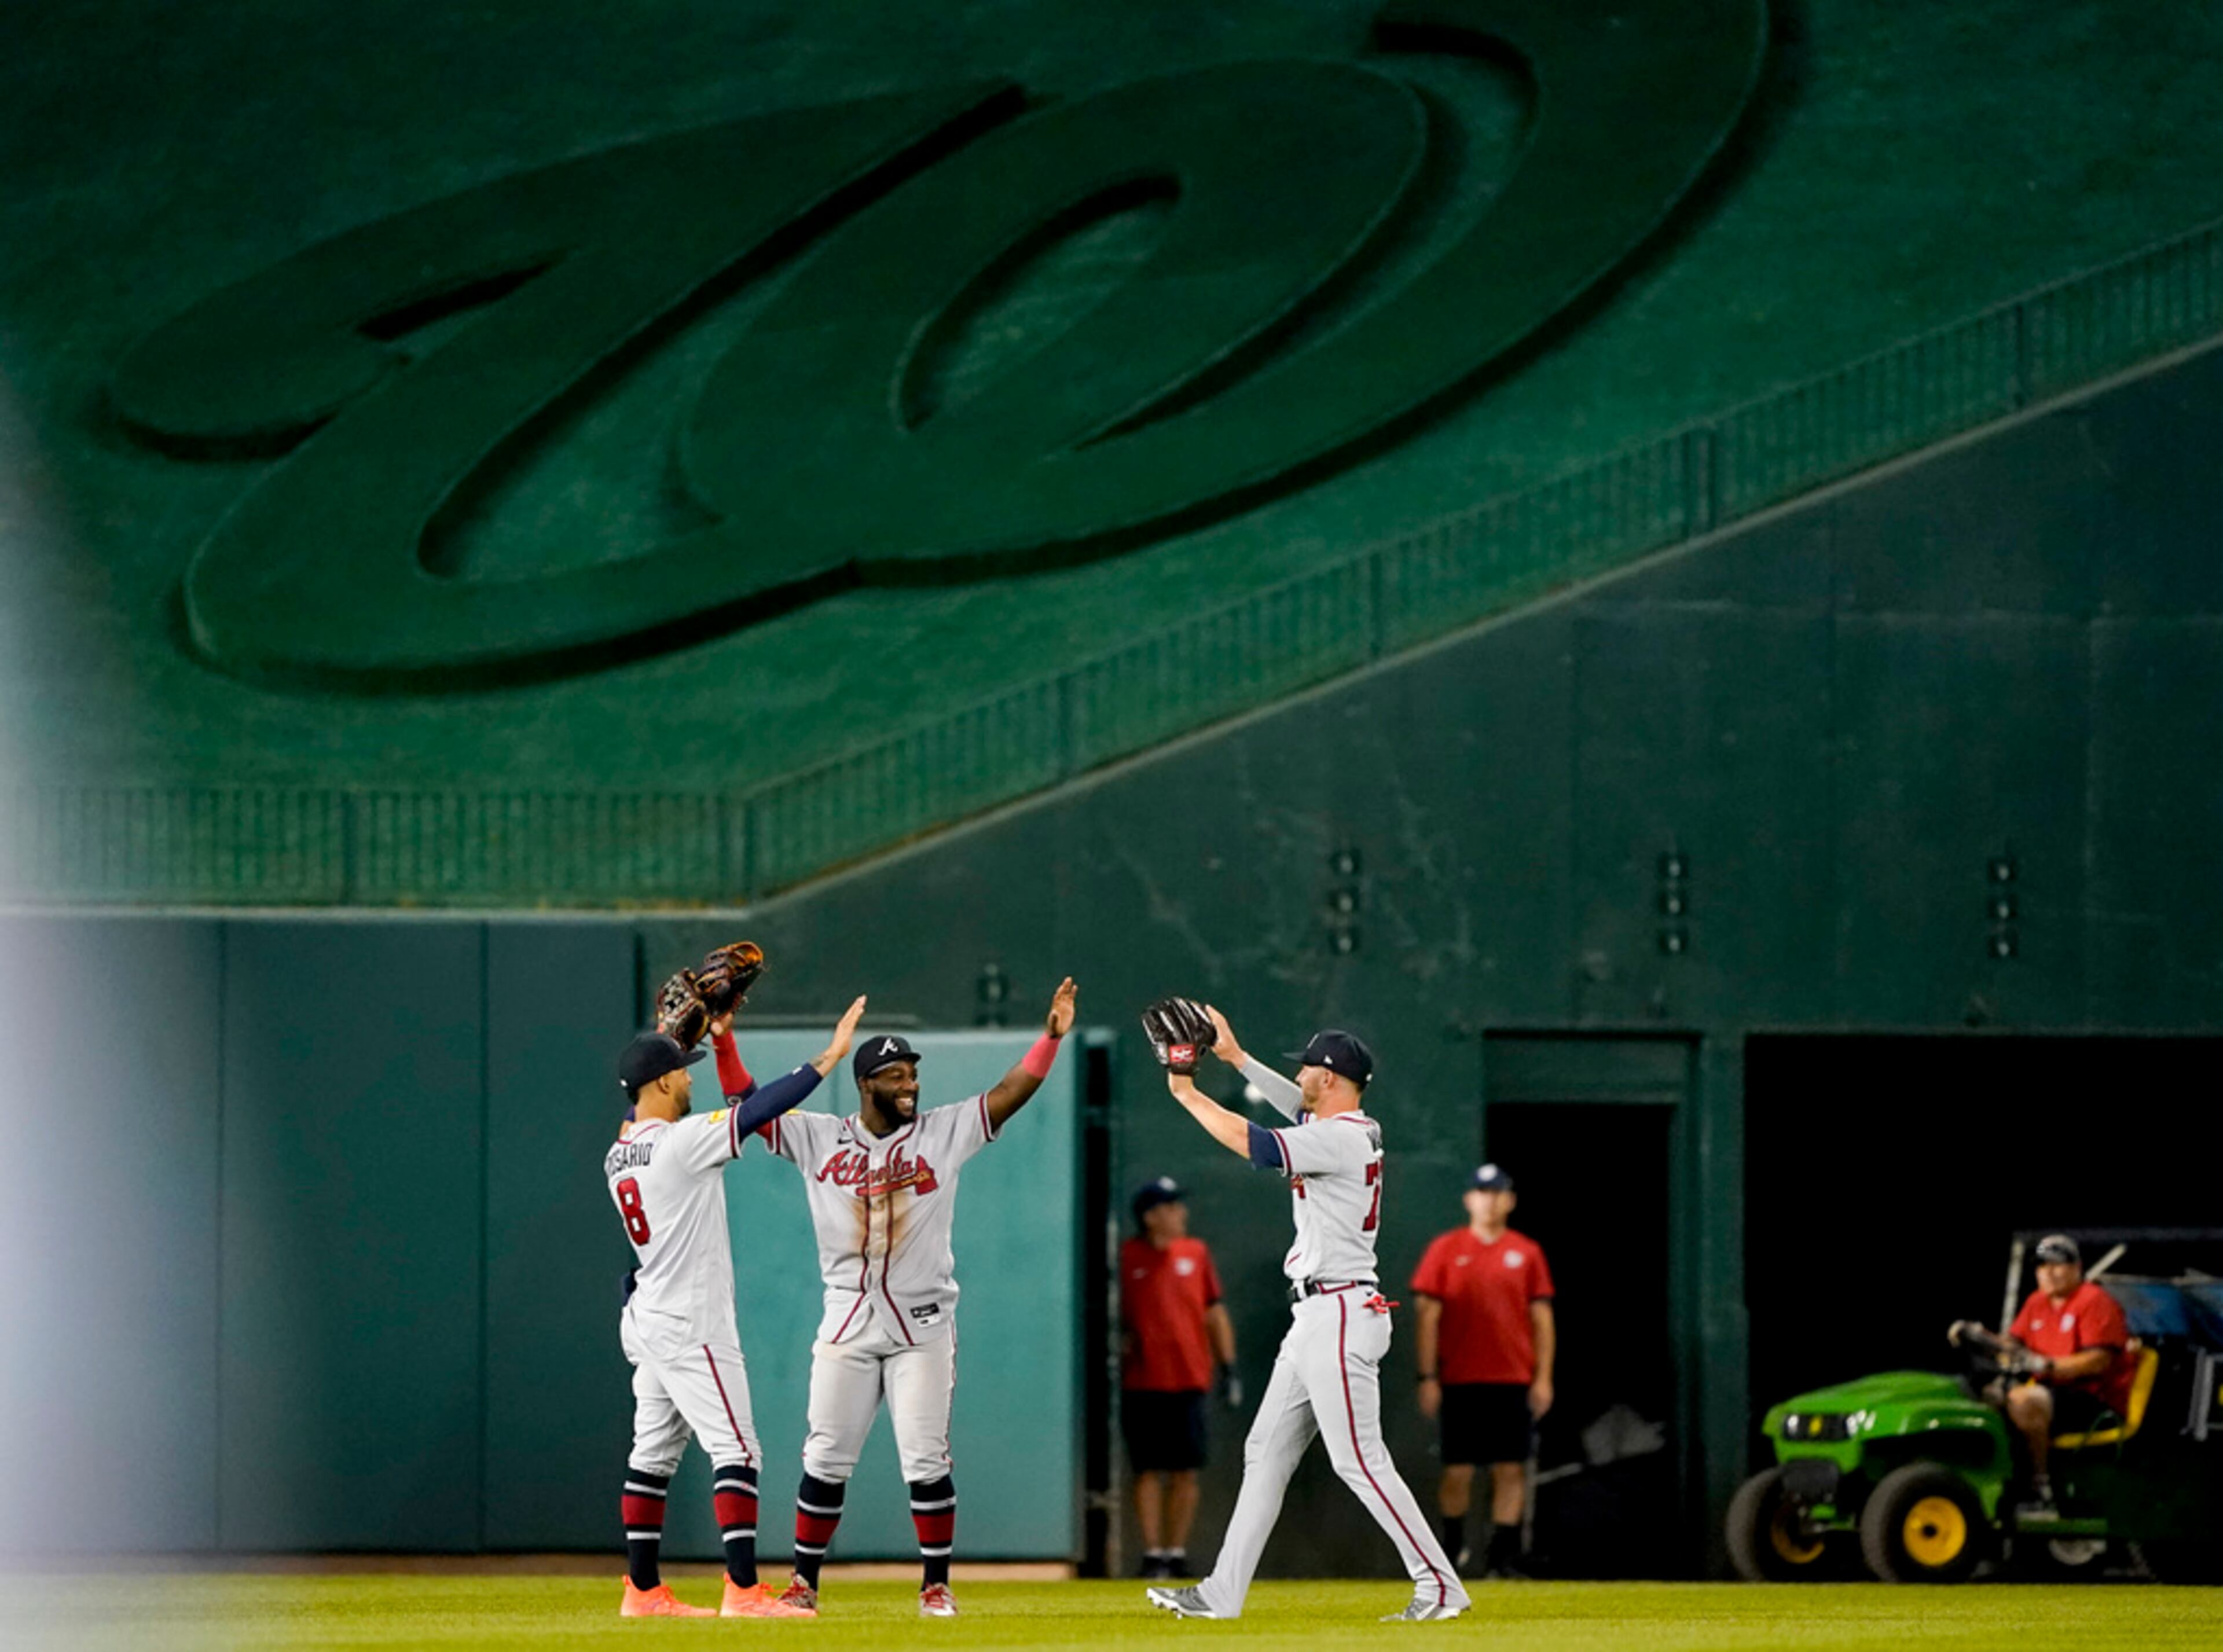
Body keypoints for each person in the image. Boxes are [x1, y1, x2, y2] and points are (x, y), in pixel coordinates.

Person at [1142, 1000, 1470, 1624]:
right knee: (1265, 1450)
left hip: (1340, 1311)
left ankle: (1440, 1584)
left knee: (1360, 1461)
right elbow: (1292, 1110)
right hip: (1321, 1314)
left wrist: (1185, 1091)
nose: (1297, 1078)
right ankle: (1221, 1592)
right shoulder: (1351, 1129)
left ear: (1330, 1077)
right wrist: (1236, 1058)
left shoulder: (1339, 1138)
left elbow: (1256, 1142)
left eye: (1306, 1070)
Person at [762, 978, 1080, 1618]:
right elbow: (750, 1108)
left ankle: (935, 1584)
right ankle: (803, 1584)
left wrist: (1048, 1040)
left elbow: (1010, 1094)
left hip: (923, 1325)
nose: (911, 1084)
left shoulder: (943, 1131)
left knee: (925, 1456)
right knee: (825, 1454)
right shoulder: (820, 1136)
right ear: (866, 1083)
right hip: (847, 1323)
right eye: (897, 1075)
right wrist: (726, 1046)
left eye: (913, 1073)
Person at [605, 994, 867, 1618]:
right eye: (683, 1068)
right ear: (663, 1081)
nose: (691, 1077)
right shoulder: (681, 1142)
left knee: (652, 1456)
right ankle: (744, 1590)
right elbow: (756, 1111)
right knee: (739, 1451)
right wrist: (827, 1059)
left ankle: (642, 1591)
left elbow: (638, 1119)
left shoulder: (618, 1152)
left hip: (648, 1317)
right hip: (692, 1321)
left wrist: (697, 1039)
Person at [1411, 1163, 1555, 1578]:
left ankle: (1503, 1559)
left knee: (1510, 1469)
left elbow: (1542, 1320)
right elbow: (1427, 1316)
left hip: (1512, 1380)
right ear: (1468, 1199)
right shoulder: (1445, 1249)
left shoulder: (1527, 1253)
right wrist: (1428, 1376)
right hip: (1460, 1380)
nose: (1489, 1201)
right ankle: (1452, 1551)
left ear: (1509, 1200)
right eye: (1482, 1192)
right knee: (1458, 1471)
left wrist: (1543, 1377)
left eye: (1497, 1193)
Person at [1950, 1233, 2134, 1516]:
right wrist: (1980, 1336)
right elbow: (2013, 1345)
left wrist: (2047, 1366)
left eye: (2056, 1265)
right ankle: (1994, 1483)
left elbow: (2099, 1361)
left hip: (2093, 1399)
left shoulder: (2094, 1301)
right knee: (1986, 1397)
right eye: (2042, 1266)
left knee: (2025, 1401)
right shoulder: (2037, 1302)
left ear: (2076, 1268)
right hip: (2053, 1393)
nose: (2048, 1272)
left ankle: (2041, 1491)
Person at [1121, 1176, 1239, 1579]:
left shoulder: (1196, 1253)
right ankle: (1152, 1554)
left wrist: (1228, 1367)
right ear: (1151, 1217)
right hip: (1142, 1381)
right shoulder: (1127, 1257)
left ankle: (1175, 1551)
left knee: (1186, 1470)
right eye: (1171, 1208)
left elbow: (1214, 1312)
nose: (1181, 1214)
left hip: (1190, 1379)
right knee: (1148, 1470)